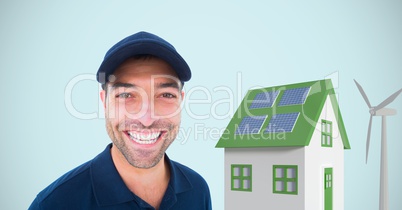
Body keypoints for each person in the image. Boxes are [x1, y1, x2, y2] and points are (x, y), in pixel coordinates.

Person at [29, 31, 212, 210]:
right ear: (104, 102)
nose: (147, 119)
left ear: (181, 101)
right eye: (126, 95)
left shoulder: (197, 190)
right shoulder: (54, 204)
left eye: (165, 95)